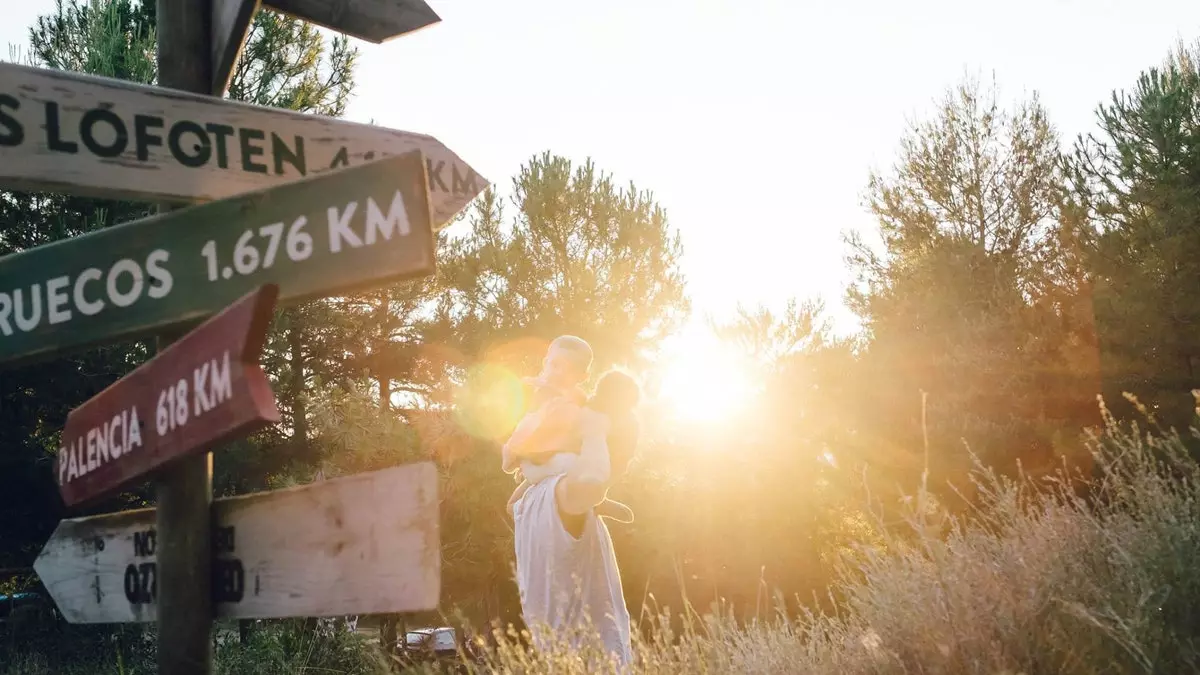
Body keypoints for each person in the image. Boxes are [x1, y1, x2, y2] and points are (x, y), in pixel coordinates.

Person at [506, 337, 638, 668]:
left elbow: (591, 465)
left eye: (568, 369)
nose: (556, 373)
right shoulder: (541, 397)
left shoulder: (578, 407)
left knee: (553, 487)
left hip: (562, 474)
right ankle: (593, 499)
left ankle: (597, 500)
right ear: (545, 360)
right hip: (547, 477)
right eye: (552, 364)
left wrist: (594, 430)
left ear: (582, 375)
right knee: (520, 498)